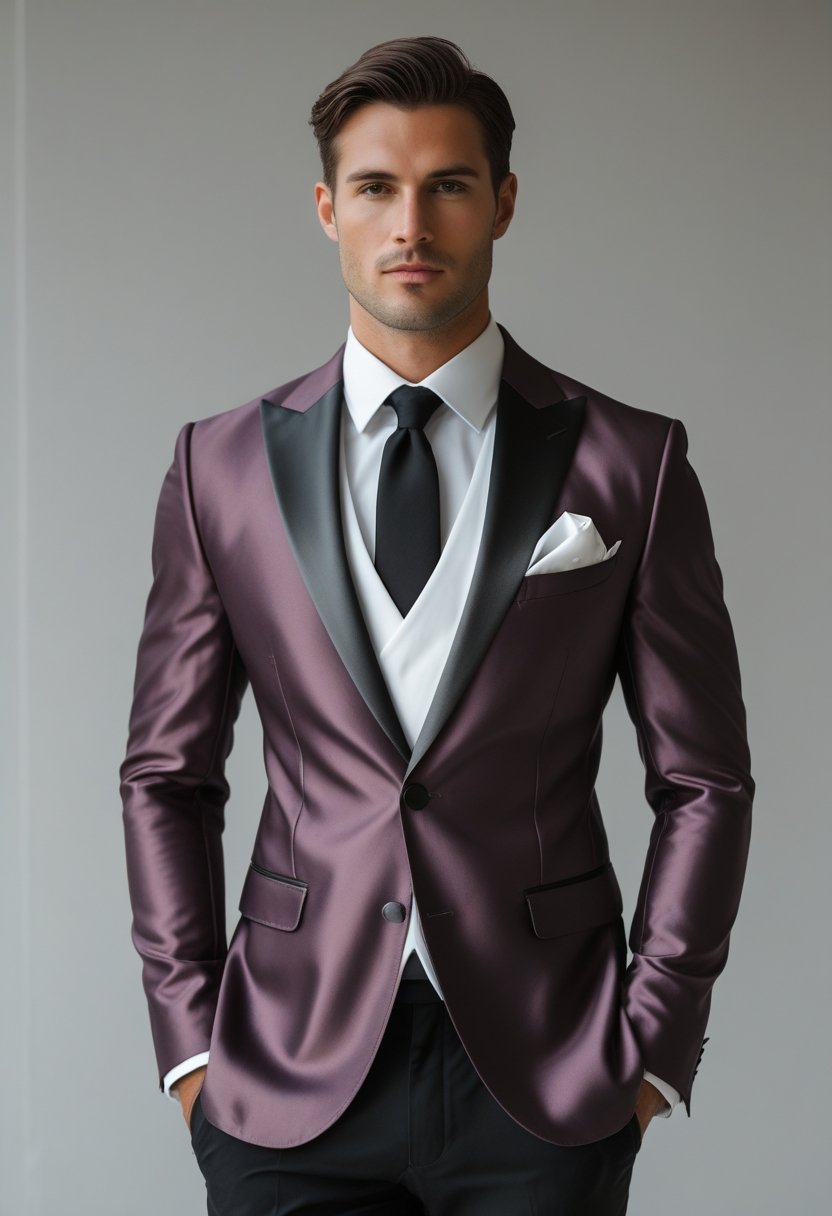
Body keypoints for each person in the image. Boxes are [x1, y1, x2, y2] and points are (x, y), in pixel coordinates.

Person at [120, 35, 753, 1216]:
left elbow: (706, 779)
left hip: (545, 1068)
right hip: (284, 1070)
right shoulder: (220, 468)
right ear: (327, 208)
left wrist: (653, 1044)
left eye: (449, 184)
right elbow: (166, 771)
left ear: (502, 202)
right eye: (375, 187)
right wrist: (190, 1044)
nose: (411, 221)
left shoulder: (632, 462)